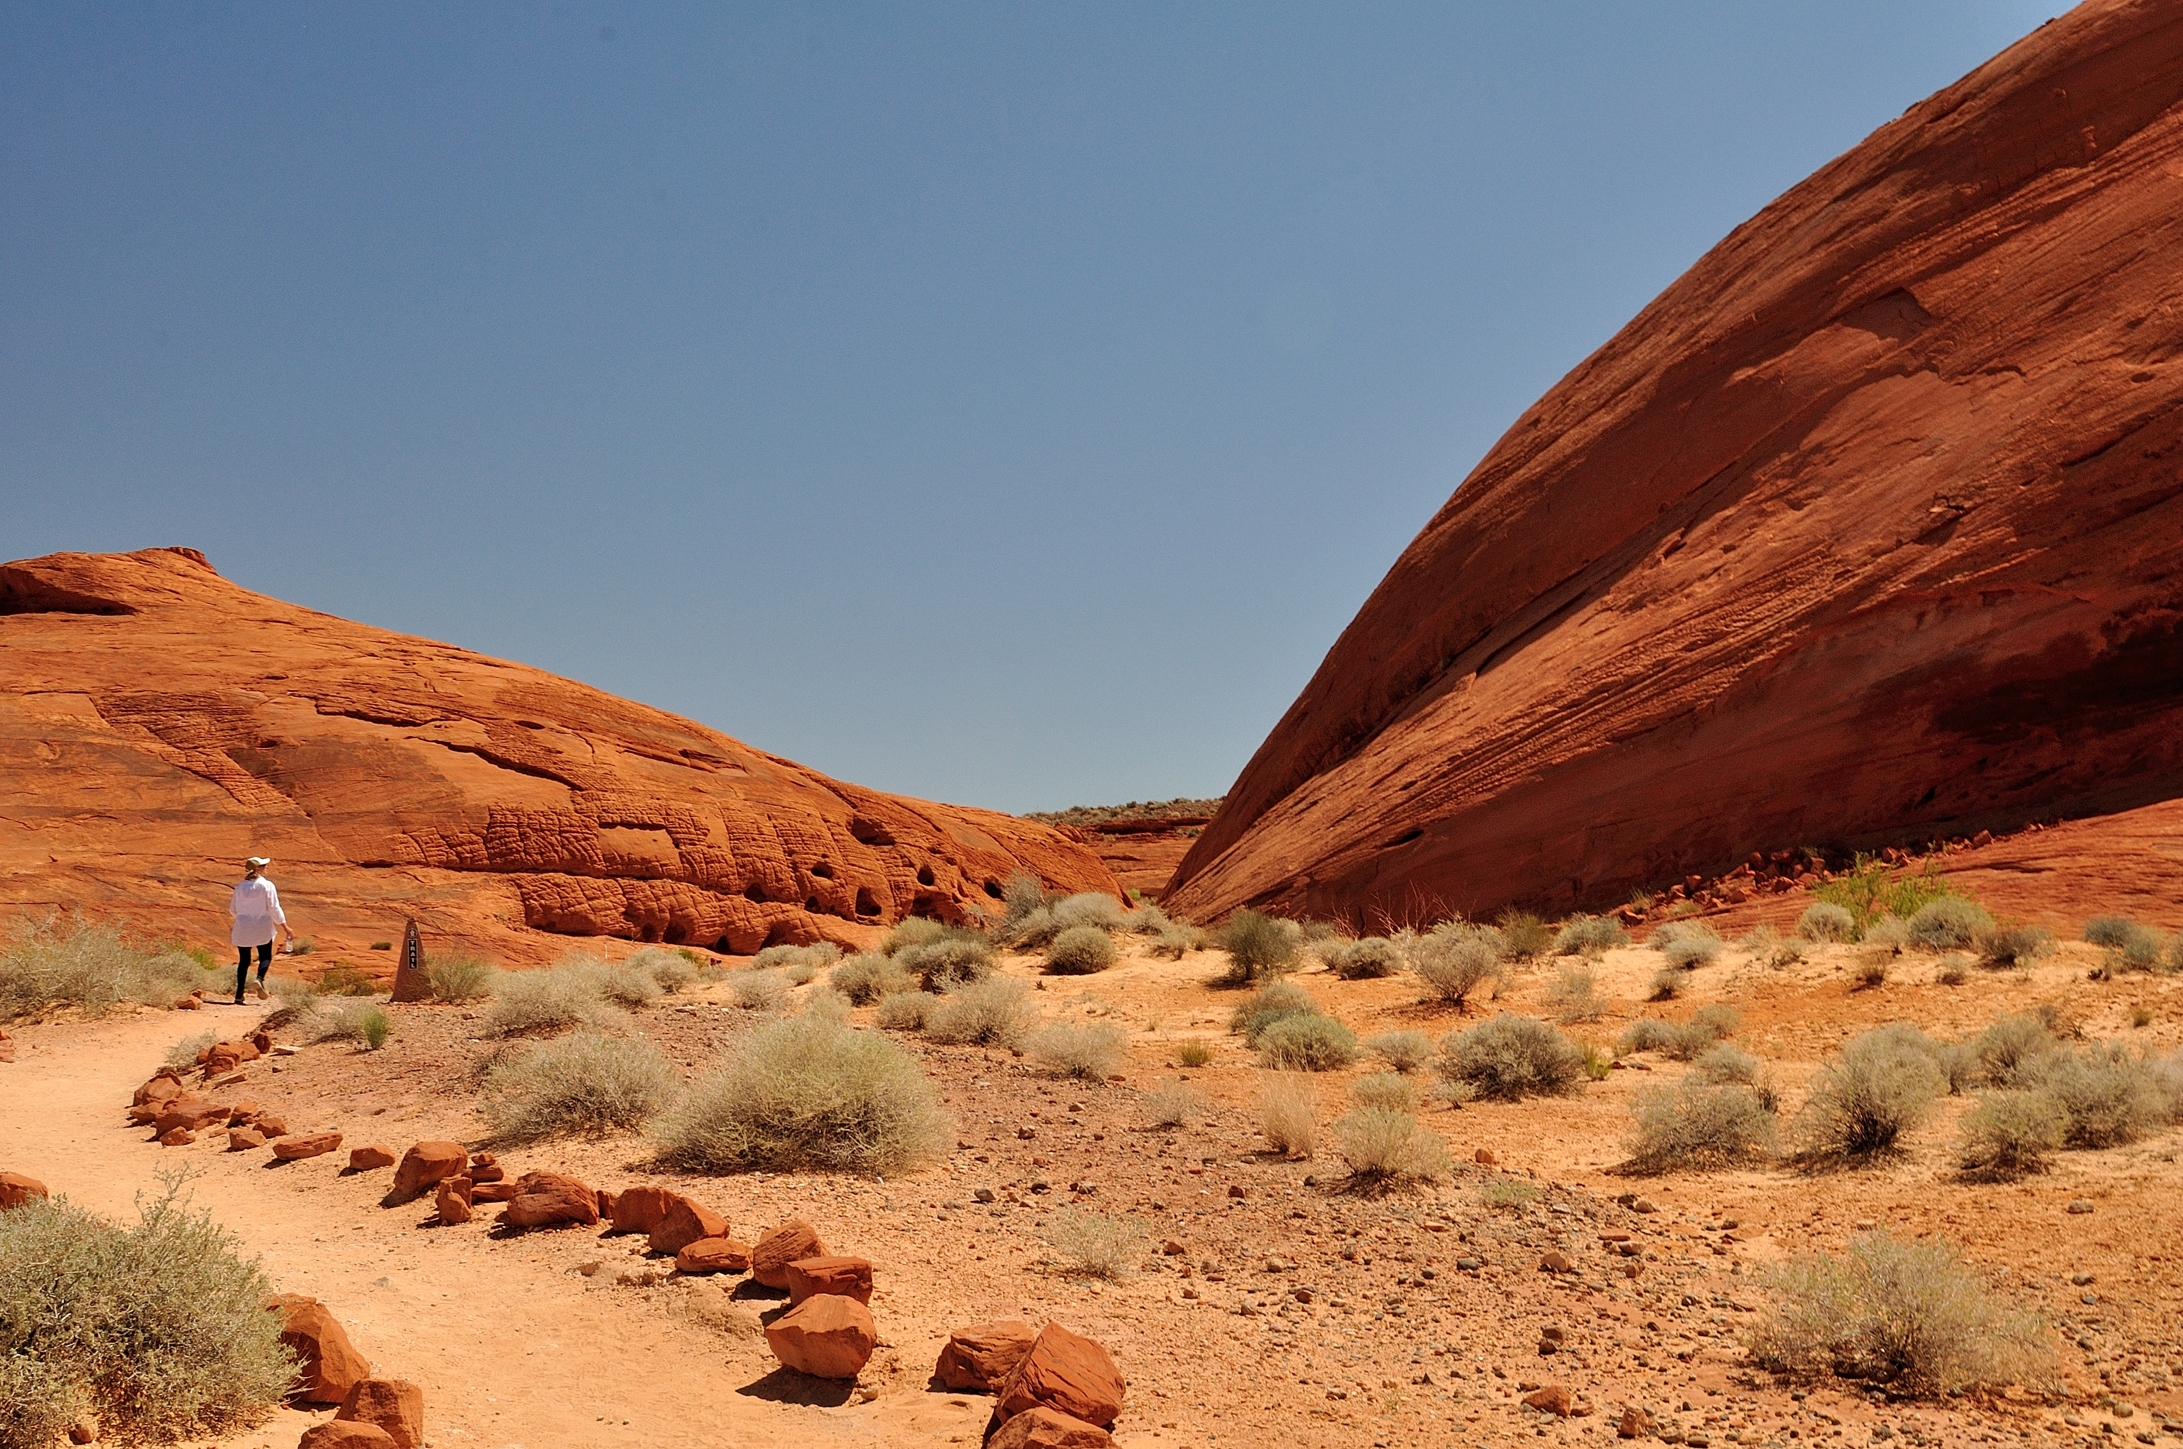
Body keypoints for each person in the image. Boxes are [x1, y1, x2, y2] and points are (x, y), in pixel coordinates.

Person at [229, 856, 291, 1005]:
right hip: (262, 925)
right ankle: (259, 979)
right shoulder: (267, 885)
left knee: (244, 961)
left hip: (243, 926)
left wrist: (244, 918)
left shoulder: (239, 887)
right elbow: (274, 907)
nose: (266, 867)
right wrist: (285, 926)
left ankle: (238, 996)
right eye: (263, 865)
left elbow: (233, 909)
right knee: (265, 956)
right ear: (257, 869)